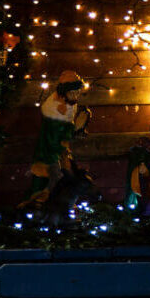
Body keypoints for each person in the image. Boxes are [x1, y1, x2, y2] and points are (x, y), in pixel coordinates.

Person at [21, 70, 90, 209]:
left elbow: (67, 131)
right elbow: (55, 137)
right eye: (73, 92)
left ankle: (62, 202)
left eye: (78, 92)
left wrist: (77, 130)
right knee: (51, 176)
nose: (76, 96)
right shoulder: (55, 112)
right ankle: (40, 202)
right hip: (50, 152)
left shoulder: (70, 105)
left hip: (61, 151)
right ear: (64, 93)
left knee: (65, 174)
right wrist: (73, 130)